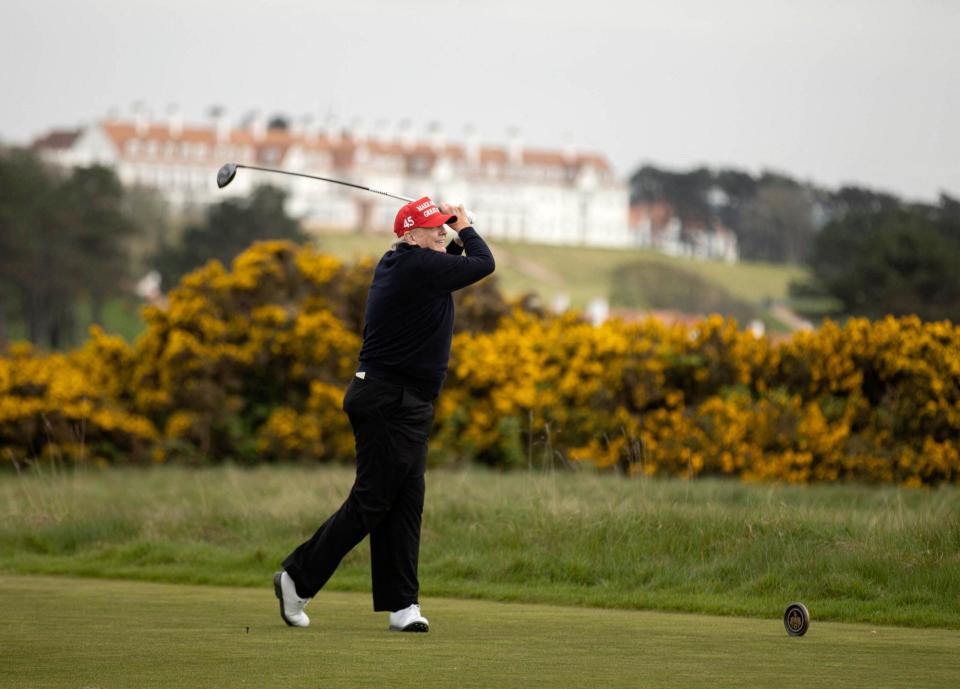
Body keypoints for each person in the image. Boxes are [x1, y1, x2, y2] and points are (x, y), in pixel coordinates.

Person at [274, 197, 495, 632]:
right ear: (410, 235)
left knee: (405, 499)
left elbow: (454, 259)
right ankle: (297, 578)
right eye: (434, 227)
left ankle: (402, 606)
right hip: (389, 401)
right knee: (375, 498)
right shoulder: (416, 266)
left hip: (399, 401)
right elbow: (481, 263)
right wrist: (467, 227)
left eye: (444, 227)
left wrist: (456, 228)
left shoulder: (410, 264)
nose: (442, 232)